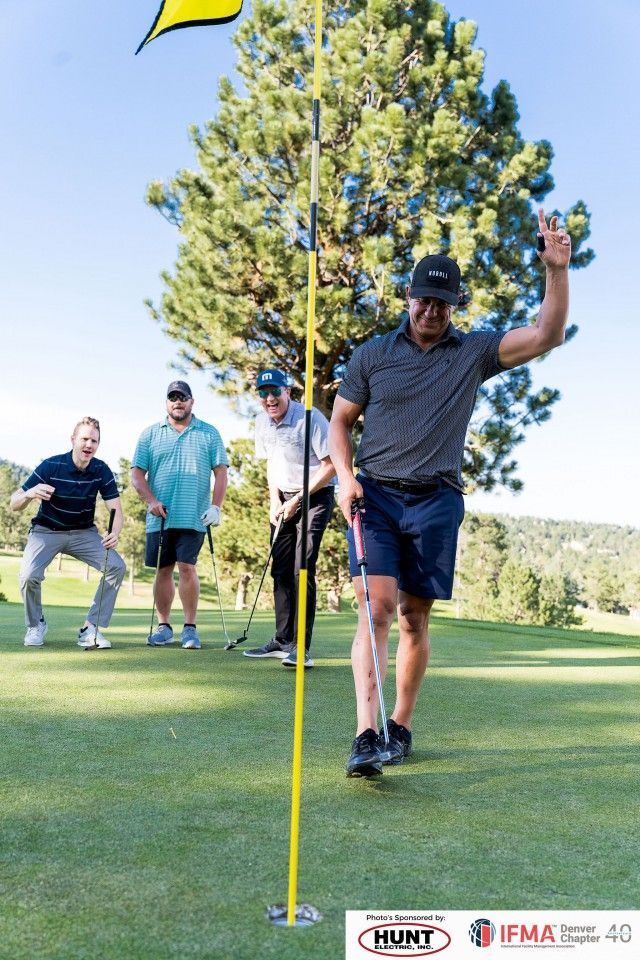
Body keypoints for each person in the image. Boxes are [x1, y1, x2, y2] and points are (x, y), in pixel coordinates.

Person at [329, 208, 572, 776]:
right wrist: (344, 477)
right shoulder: (373, 355)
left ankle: (401, 726)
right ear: (407, 298)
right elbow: (339, 421)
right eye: (422, 300)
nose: (430, 311)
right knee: (377, 608)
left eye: (441, 302)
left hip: (437, 499)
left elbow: (547, 334)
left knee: (415, 617)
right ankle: (366, 734)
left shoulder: (473, 353)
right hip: (377, 498)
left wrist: (556, 270)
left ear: (455, 304)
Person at [243, 369, 336, 668]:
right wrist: (275, 499)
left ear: (288, 392)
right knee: (280, 569)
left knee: (302, 568)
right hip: (282, 499)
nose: (269, 398)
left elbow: (330, 466)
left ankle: (301, 646)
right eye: (263, 393)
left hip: (315, 497)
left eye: (275, 392)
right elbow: (273, 464)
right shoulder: (262, 422)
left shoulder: (310, 418)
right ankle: (282, 640)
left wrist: (297, 500)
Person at [10, 417, 125, 649]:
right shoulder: (51, 466)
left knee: (116, 566)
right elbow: (14, 503)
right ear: (73, 440)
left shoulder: (101, 470)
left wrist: (114, 532)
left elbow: (116, 509)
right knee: (29, 575)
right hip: (46, 531)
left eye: (94, 440)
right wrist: (30, 493)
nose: (89, 444)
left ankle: (90, 629)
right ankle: (35, 624)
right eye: (84, 438)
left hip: (83, 532)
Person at [131, 380, 228, 650]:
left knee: (187, 567)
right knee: (163, 569)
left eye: (182, 397)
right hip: (159, 516)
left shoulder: (209, 433)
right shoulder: (150, 434)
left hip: (194, 515)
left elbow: (221, 471)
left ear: (191, 401)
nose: (178, 402)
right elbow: (137, 474)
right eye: (172, 397)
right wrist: (150, 501)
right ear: (166, 403)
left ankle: (190, 629)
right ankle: (163, 627)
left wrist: (216, 506)